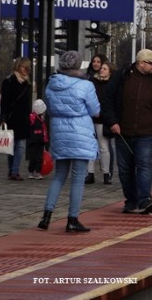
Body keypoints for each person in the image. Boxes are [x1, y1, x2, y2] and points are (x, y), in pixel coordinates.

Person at [102, 49, 152, 215]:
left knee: (144, 165)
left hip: (146, 131)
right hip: (123, 131)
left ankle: (145, 200)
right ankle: (131, 201)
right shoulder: (122, 76)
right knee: (125, 168)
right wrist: (112, 122)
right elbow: (108, 99)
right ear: (141, 63)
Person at [37, 51, 100, 233]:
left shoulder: (52, 84)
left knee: (59, 176)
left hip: (59, 132)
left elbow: (49, 105)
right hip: (80, 133)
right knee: (78, 178)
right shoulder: (86, 85)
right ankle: (72, 219)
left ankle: (46, 215)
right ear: (78, 65)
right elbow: (95, 110)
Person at [0, 57, 32, 181]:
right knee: (11, 146)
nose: (27, 70)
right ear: (18, 67)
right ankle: (12, 171)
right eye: (25, 67)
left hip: (23, 118)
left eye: (28, 68)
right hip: (12, 118)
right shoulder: (9, 81)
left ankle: (14, 171)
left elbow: (27, 103)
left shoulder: (27, 83)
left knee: (20, 145)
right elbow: (4, 101)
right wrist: (3, 116)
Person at [87, 61, 117, 185]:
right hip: (90, 118)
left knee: (103, 147)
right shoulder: (93, 82)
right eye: (101, 68)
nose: (101, 70)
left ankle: (106, 173)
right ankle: (90, 173)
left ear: (110, 71)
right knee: (90, 147)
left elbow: (111, 103)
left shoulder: (112, 84)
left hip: (103, 120)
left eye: (104, 69)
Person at [27, 99, 48, 180]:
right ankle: (32, 171)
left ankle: (37, 171)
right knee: (33, 157)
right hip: (34, 140)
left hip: (40, 140)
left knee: (39, 157)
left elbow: (44, 130)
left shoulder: (41, 119)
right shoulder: (32, 117)